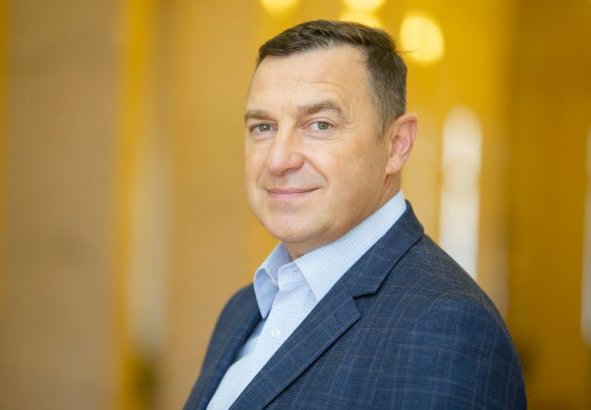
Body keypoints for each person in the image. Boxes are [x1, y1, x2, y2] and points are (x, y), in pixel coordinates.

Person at [185, 20, 526, 409]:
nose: (278, 160)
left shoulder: (446, 325)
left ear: (397, 145)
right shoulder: (242, 310)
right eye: (263, 127)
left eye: (320, 125)